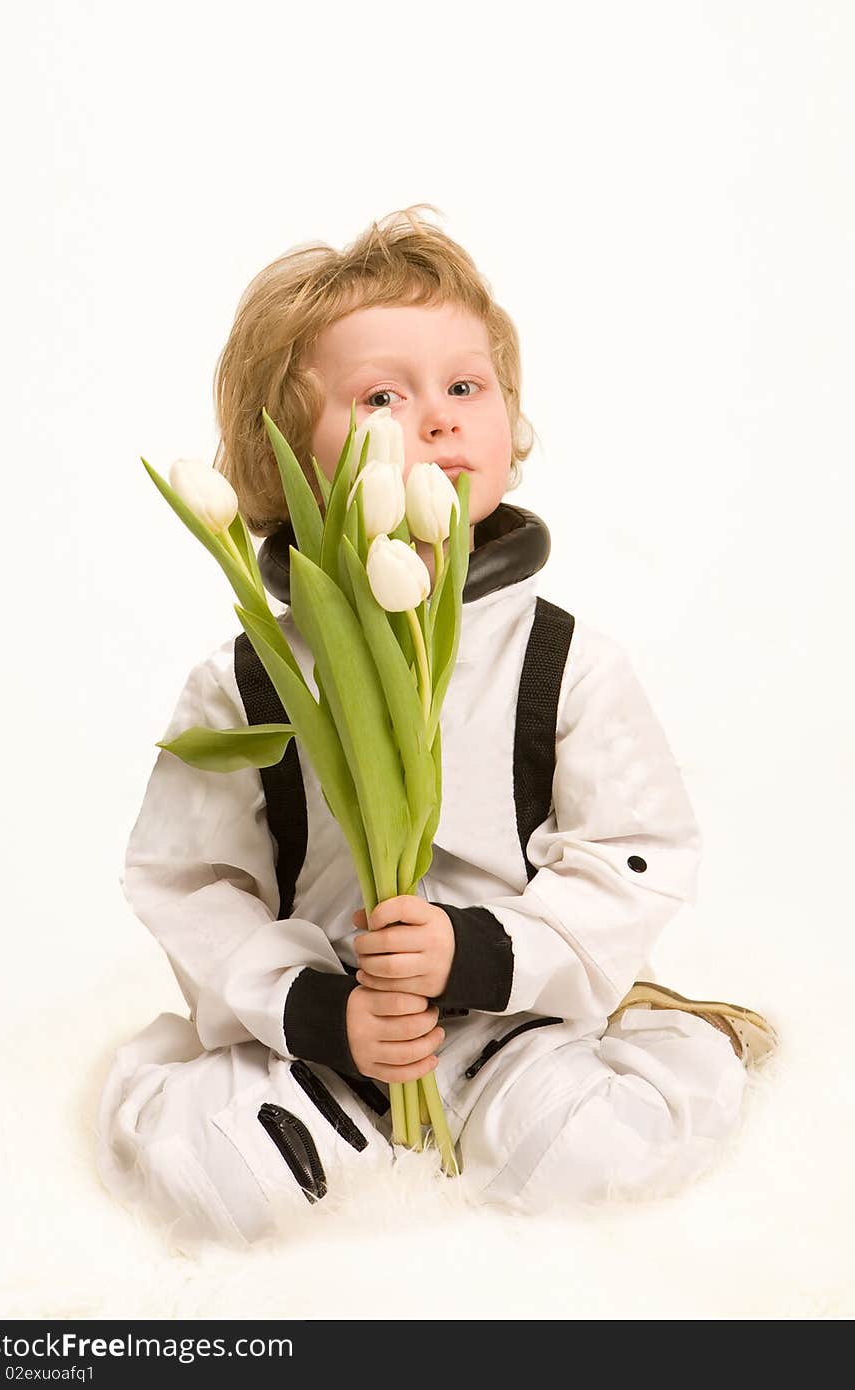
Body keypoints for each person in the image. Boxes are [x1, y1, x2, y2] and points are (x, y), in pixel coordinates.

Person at [96, 204, 777, 1250]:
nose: (439, 418)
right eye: (382, 396)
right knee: (235, 1187)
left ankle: (634, 1052)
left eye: (465, 386)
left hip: (513, 1021)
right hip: (321, 1036)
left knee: (587, 1156)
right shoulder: (247, 678)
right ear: (282, 466)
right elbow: (192, 884)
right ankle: (318, 1137)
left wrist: (478, 950)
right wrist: (319, 1012)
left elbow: (634, 852)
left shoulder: (564, 660)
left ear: (511, 420)